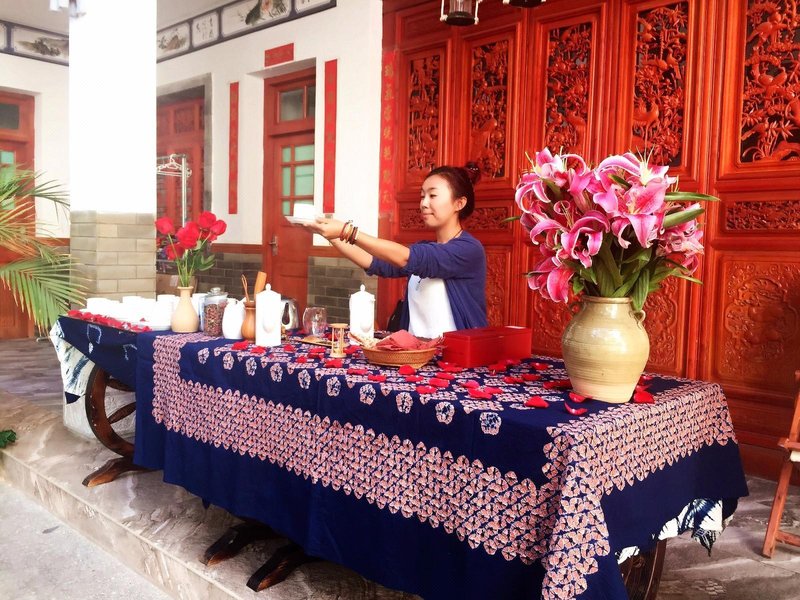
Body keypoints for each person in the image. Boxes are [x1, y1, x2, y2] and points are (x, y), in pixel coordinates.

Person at [300, 163, 487, 337]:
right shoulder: (425, 248)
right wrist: (326, 233)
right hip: (416, 356)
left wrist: (346, 231)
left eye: (432, 195)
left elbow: (408, 258)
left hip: (456, 357)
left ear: (459, 203)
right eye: (422, 196)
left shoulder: (469, 250)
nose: (423, 203)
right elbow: (374, 262)